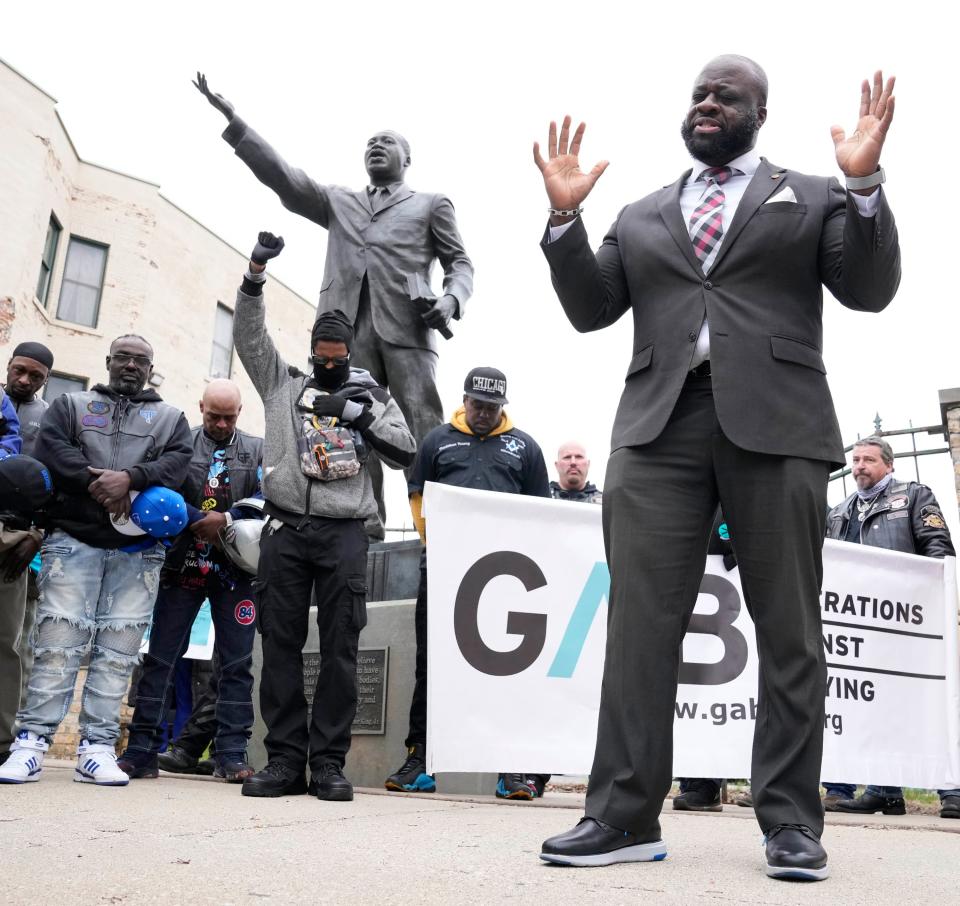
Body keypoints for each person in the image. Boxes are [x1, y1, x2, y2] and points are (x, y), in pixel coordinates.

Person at [533, 57, 900, 881]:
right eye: (699, 92)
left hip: (778, 426)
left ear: (758, 112)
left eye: (725, 94)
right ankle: (623, 814)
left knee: (790, 629)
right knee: (638, 629)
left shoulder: (810, 194)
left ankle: (792, 823)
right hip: (657, 429)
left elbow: (869, 291)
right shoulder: (643, 211)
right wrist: (565, 224)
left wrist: (867, 184)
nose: (707, 102)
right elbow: (592, 309)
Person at [193, 74, 473, 536]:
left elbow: (461, 263)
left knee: (421, 427)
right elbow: (285, 177)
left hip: (408, 330)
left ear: (408, 158)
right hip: (344, 336)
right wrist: (235, 123)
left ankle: (438, 527)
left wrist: (449, 298)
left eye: (387, 142)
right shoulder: (338, 200)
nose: (376, 147)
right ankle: (369, 524)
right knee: (356, 425)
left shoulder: (430, 204)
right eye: (370, 143)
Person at [233, 232, 415, 800]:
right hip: (286, 527)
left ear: (349, 358)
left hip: (344, 534)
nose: (329, 368)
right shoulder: (283, 385)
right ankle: (285, 760)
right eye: (322, 360)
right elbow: (249, 336)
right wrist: (256, 271)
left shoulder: (370, 393)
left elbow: (406, 450)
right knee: (279, 642)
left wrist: (357, 413)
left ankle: (329, 763)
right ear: (311, 352)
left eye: (338, 362)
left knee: (342, 646)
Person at [0, 335, 192, 786]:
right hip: (74, 539)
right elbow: (52, 451)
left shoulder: (171, 418)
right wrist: (102, 483)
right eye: (122, 357)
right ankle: (31, 743)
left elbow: (178, 464)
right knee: (55, 645)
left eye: (140, 359)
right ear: (108, 361)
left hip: (138, 550)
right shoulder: (71, 405)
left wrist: (131, 478)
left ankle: (97, 747)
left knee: (118, 652)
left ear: (151, 367)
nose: (130, 365)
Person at [384, 366, 551, 800]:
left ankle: (511, 768)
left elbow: (540, 513)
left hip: (506, 581)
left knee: (508, 671)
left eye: (492, 408)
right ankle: (421, 760)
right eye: (477, 405)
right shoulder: (438, 440)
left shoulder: (526, 447)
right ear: (465, 399)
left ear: (503, 407)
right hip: (443, 572)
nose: (483, 414)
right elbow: (418, 496)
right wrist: (439, 544)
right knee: (431, 668)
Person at [118, 379, 264, 782]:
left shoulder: (257, 449)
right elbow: (157, 488)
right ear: (200, 407)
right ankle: (141, 750)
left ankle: (231, 754)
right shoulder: (181, 444)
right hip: (180, 568)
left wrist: (229, 519)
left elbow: (270, 497)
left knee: (237, 664)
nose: (220, 423)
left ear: (239, 413)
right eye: (213, 415)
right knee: (160, 660)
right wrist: (197, 517)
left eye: (228, 417)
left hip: (235, 572)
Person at [821, 436, 959, 821]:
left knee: (928, 701)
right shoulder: (840, 510)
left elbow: (938, 547)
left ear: (889, 465)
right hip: (862, 623)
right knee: (877, 706)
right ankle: (885, 791)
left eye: (868, 459)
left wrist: (936, 601)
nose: (860, 466)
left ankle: (953, 790)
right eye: (856, 460)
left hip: (909, 619)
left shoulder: (913, 496)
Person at [3, 342, 55, 726]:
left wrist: (38, 535)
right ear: (8, 365)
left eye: (35, 376)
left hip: (26, 545)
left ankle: (13, 728)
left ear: (46, 379)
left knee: (18, 640)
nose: (24, 380)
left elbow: (60, 486)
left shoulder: (52, 419)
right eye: (19, 370)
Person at [0, 455, 52, 770]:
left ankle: (4, 743)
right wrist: (28, 536)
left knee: (9, 650)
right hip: (16, 552)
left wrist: (36, 534)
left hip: (17, 564)